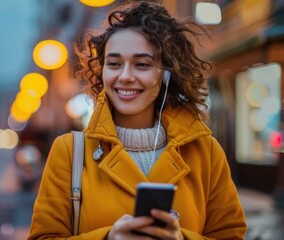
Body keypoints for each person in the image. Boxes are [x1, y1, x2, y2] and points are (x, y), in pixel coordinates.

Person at [28, 1, 247, 239]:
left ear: (166, 74)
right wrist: (107, 238)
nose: (125, 76)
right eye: (114, 64)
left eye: (142, 64)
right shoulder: (69, 152)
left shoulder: (207, 153)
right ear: (102, 71)